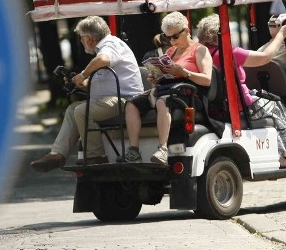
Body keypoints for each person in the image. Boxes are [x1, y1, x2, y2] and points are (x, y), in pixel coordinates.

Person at [31, 16, 144, 172]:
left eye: (81, 38)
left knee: (82, 111)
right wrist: (78, 82)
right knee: (72, 110)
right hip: (111, 100)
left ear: (89, 38)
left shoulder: (110, 45)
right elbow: (97, 86)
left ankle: (96, 156)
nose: (81, 42)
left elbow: (104, 59)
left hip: (128, 102)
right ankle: (58, 154)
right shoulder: (101, 52)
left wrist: (83, 74)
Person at [196, 13, 286, 168]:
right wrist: (282, 34)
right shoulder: (230, 53)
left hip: (219, 105)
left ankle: (280, 154)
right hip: (242, 105)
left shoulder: (204, 54)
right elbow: (265, 57)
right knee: (277, 103)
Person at [124, 12, 212, 165]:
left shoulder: (200, 50)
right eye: (168, 37)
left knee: (161, 102)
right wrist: (156, 78)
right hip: (167, 89)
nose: (172, 41)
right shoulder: (171, 51)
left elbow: (207, 80)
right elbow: (166, 75)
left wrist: (185, 72)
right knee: (131, 104)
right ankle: (133, 150)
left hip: (188, 92)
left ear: (186, 31)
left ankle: (163, 149)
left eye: (175, 37)